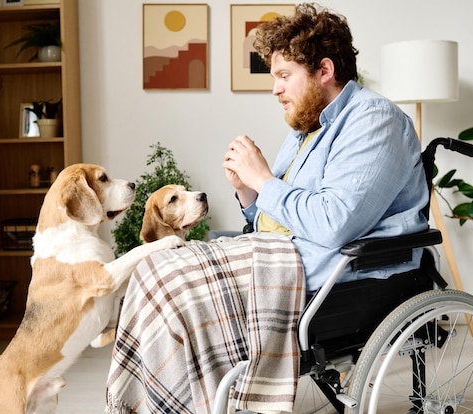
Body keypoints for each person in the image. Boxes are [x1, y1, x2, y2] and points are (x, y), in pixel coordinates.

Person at [105, 3, 428, 413]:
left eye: (283, 76)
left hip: (338, 274)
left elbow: (333, 224)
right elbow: (273, 219)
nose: (275, 89)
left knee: (172, 281)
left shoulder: (375, 120)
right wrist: (248, 193)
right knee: (154, 267)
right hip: (283, 255)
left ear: (324, 71)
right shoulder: (306, 128)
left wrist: (263, 179)